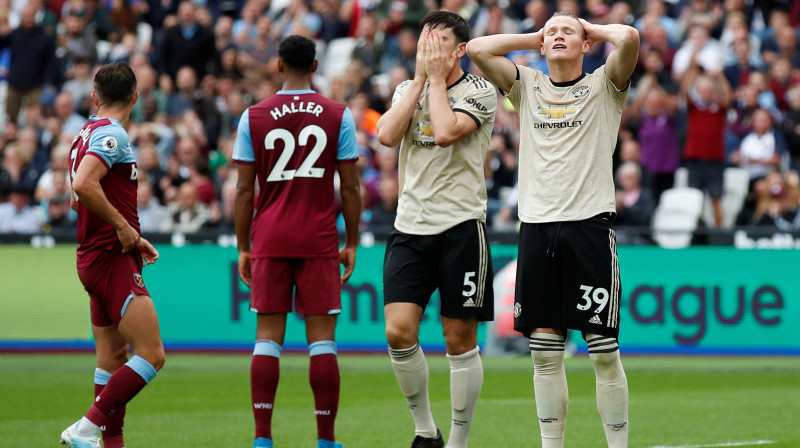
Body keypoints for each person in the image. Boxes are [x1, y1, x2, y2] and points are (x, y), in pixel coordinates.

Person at [468, 11, 638, 448]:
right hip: (538, 229)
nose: (559, 36)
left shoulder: (604, 85)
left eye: (569, 32)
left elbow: (631, 38)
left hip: (589, 227)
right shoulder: (527, 85)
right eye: (553, 32)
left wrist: (591, 31)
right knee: (544, 353)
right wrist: (537, 37)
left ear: (586, 46)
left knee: (602, 349)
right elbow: (477, 49)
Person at [375, 11, 497, 448]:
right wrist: (419, 82)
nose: (428, 48)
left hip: (461, 226)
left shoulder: (481, 90)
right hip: (410, 226)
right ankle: (426, 431)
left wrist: (437, 82)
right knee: (397, 331)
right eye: (424, 39)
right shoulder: (407, 89)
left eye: (438, 40)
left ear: (459, 49)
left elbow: (445, 131)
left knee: (458, 337)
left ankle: (460, 441)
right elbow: (387, 135)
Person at [233, 35, 361, 448]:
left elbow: (242, 191)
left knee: (267, 337)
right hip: (318, 237)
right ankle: (325, 440)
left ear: (277, 66)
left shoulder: (253, 116)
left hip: (270, 236)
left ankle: (262, 438)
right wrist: (353, 241)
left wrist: (243, 247)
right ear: (317, 65)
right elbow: (352, 187)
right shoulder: (337, 114)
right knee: (322, 339)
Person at [60, 62, 165, 448]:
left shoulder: (82, 134)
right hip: (110, 258)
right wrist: (123, 228)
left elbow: (77, 201)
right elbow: (83, 185)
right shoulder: (113, 135)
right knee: (152, 355)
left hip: (91, 257)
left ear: (94, 97)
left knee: (111, 359)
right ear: (135, 98)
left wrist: (131, 235)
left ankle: (109, 444)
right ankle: (85, 427)